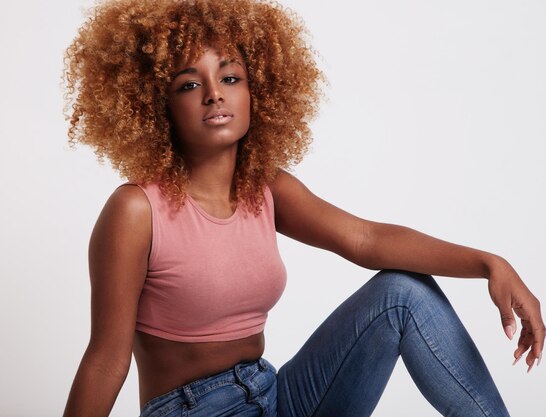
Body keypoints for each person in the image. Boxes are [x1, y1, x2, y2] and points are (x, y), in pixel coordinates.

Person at [61, 0, 544, 416]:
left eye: (230, 76)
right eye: (189, 85)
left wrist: (489, 264)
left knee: (402, 291)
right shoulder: (135, 210)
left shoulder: (265, 187)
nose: (214, 94)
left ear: (257, 91)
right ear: (155, 105)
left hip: (275, 396)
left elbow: (366, 240)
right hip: (193, 409)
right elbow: (106, 359)